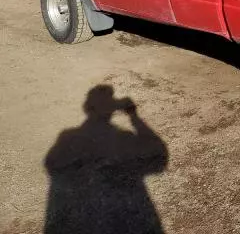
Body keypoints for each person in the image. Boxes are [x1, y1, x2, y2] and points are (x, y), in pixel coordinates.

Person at [44, 85, 168, 234]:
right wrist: (134, 116)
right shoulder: (123, 139)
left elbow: (51, 164)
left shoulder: (68, 138)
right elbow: (159, 155)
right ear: (113, 109)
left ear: (87, 108)